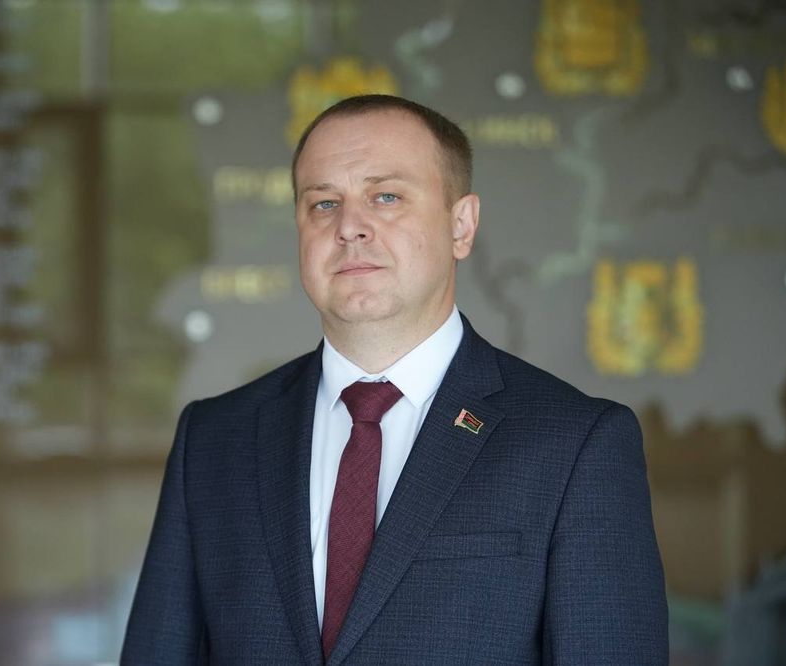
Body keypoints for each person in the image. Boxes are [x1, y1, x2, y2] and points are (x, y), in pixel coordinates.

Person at [121, 94, 668, 665]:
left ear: (461, 225)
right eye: (324, 203)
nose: (350, 227)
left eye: (386, 196)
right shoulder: (214, 439)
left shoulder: (576, 444)